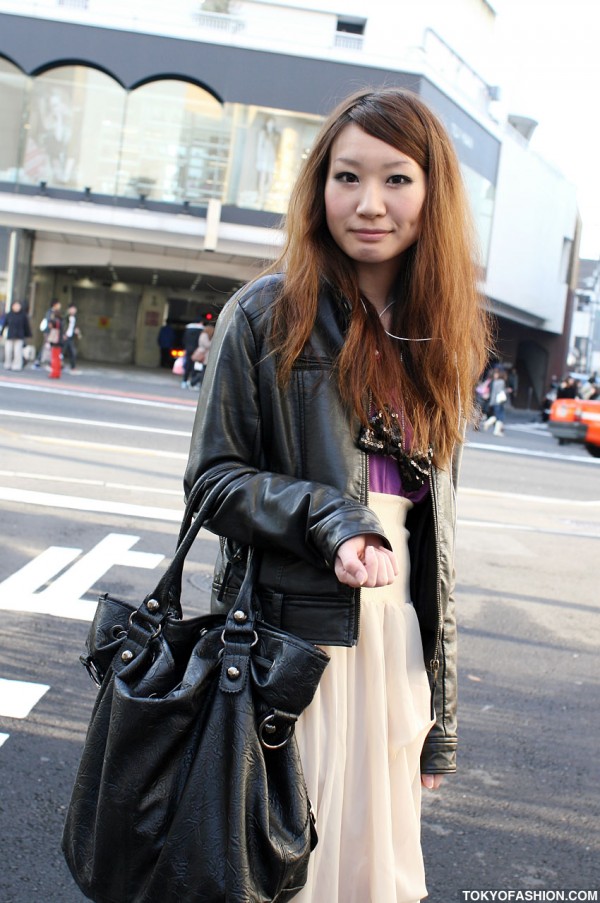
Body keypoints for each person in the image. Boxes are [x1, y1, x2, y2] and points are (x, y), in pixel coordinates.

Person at [184, 87, 490, 903]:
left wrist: (440, 727)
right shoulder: (265, 313)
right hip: (294, 639)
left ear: (432, 194)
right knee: (288, 870)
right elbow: (213, 480)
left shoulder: (443, 330)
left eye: (396, 180)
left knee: (370, 878)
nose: (368, 204)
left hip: (393, 645)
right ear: (319, 186)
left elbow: (437, 550)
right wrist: (332, 523)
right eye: (347, 177)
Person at [2, 301, 32, 371]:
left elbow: (26, 326)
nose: (16, 307)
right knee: (8, 350)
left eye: (18, 306)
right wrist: (1, 333)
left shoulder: (23, 315)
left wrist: (28, 335)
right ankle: (7, 364)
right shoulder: (9, 314)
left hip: (19, 336)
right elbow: (4, 324)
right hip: (10, 335)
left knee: (17, 351)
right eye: (15, 306)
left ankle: (17, 365)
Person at [482, 367, 507, 435]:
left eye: (496, 374)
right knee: (500, 416)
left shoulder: (494, 382)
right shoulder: (501, 382)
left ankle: (488, 423)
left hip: (493, 401)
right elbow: (500, 392)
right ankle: (496, 430)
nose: (495, 375)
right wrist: (506, 391)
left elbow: (492, 392)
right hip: (499, 401)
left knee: (497, 415)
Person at [189, 323, 214, 388]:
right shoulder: (204, 335)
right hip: (203, 355)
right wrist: (213, 341)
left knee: (203, 371)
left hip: (203, 354)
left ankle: (196, 383)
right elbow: (207, 345)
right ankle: (193, 382)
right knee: (204, 371)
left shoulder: (203, 335)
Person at [181, 320, 205, 388]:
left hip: (188, 349)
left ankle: (184, 381)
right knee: (195, 367)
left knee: (187, 366)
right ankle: (192, 382)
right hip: (196, 351)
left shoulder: (188, 329)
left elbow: (184, 340)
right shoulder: (201, 330)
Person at [62, 304, 82, 372]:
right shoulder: (65, 316)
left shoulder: (75, 318)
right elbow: (62, 326)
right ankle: (56, 365)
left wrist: (77, 331)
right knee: (61, 352)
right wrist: (63, 334)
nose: (74, 311)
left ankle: (73, 367)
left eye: (75, 309)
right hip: (65, 336)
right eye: (73, 309)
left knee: (73, 352)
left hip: (70, 337)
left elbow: (74, 327)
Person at [47, 300, 63, 379]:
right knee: (58, 358)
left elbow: (49, 325)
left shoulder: (54, 321)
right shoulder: (61, 321)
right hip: (59, 341)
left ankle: (54, 373)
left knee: (54, 358)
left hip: (55, 341)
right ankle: (57, 373)